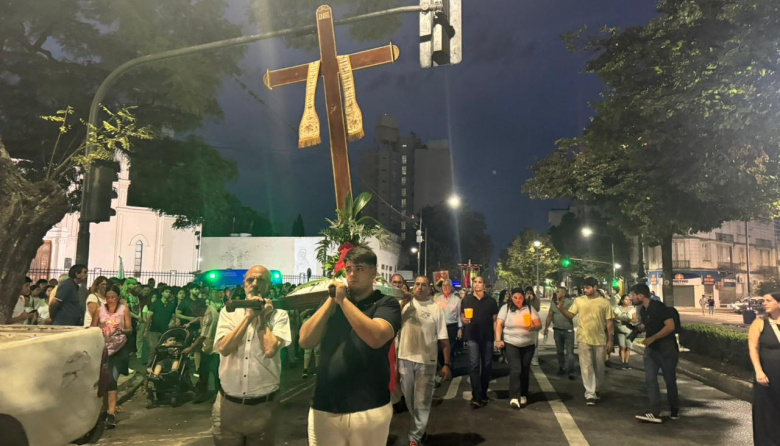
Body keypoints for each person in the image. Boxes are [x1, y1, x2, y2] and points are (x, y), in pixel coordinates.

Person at [300, 245, 401, 446]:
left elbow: (376, 337)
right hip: (324, 407)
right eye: (348, 269)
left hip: (369, 409)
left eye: (359, 269)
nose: (352, 274)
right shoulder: (332, 304)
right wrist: (330, 302)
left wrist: (343, 301)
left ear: (373, 273)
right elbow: (305, 340)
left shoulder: (385, 304)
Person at [211, 265, 291, 445]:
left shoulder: (279, 315)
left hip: (263, 407)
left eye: (261, 280)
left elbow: (269, 350)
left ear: (269, 286)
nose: (255, 284)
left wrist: (262, 317)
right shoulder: (229, 312)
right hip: (228, 406)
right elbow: (224, 348)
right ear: (244, 285)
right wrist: (248, 317)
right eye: (250, 280)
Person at [398, 276, 451, 446]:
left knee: (422, 401)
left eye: (424, 285)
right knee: (409, 399)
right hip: (404, 357)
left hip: (427, 361)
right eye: (417, 284)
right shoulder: (404, 305)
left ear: (429, 288)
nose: (420, 287)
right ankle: (420, 430)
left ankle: (414, 438)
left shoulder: (436, 309)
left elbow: (444, 339)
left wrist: (446, 364)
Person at [555, 277, 615, 406]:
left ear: (595, 287)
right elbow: (571, 315)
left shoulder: (604, 303)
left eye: (588, 287)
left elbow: (609, 323)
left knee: (599, 366)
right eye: (584, 288)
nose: (585, 290)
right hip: (583, 338)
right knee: (586, 366)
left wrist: (611, 340)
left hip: (600, 339)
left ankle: (597, 388)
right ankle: (590, 393)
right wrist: (560, 308)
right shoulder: (579, 300)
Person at [630, 284, 680, 423]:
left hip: (666, 349)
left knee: (670, 380)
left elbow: (670, 326)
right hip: (652, 350)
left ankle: (674, 410)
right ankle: (654, 412)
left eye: (633, 295)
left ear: (641, 296)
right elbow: (650, 325)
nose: (631, 298)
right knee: (650, 379)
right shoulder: (643, 310)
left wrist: (652, 338)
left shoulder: (659, 307)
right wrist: (639, 329)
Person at [90, 285, 132, 429]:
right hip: (104, 349)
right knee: (103, 380)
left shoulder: (124, 310)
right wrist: (99, 331)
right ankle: (102, 411)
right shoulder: (99, 310)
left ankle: (111, 413)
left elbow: (130, 329)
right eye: (108, 297)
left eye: (113, 297)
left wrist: (123, 330)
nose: (110, 300)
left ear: (118, 298)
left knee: (112, 379)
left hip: (119, 349)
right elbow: (93, 327)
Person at [496, 288, 541, 408]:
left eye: (520, 298)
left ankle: (523, 393)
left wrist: (534, 327)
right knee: (516, 369)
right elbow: (499, 324)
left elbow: (538, 324)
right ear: (511, 298)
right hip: (511, 343)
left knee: (525, 369)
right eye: (515, 298)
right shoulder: (505, 308)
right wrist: (498, 339)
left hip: (528, 344)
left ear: (524, 298)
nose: (518, 300)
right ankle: (514, 397)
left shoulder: (529, 309)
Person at [461, 276, 499, 408]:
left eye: (480, 282)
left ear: (484, 285)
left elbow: (495, 321)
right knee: (474, 365)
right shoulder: (466, 300)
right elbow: (462, 316)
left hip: (487, 337)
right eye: (475, 282)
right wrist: (464, 320)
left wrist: (498, 338)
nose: (477, 284)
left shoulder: (491, 301)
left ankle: (483, 393)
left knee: (487, 366)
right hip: (473, 337)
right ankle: (476, 396)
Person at [748, 293, 780, 444]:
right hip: (767, 375)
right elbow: (753, 348)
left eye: (768, 300)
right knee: (766, 410)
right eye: (763, 301)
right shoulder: (760, 322)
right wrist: (758, 371)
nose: (764, 303)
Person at [185, 295, 220, 404]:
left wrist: (190, 348)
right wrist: (190, 323)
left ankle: (217, 395)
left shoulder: (210, 317)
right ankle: (202, 392)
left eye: (195, 311)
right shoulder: (207, 308)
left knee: (216, 372)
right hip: (207, 347)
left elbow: (203, 337)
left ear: (201, 308)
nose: (194, 313)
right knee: (203, 370)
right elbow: (199, 317)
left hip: (215, 347)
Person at [544, 286, 576, 380]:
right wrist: (546, 327)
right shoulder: (553, 302)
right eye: (556, 291)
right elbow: (550, 315)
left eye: (558, 292)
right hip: (557, 329)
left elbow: (571, 316)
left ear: (564, 293)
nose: (556, 293)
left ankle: (570, 370)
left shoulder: (569, 302)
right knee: (559, 351)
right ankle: (561, 368)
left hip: (568, 330)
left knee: (570, 352)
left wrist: (561, 307)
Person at [142, 286, 177, 368]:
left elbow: (173, 316)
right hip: (154, 329)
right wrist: (146, 329)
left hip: (165, 330)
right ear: (162, 293)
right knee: (153, 349)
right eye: (166, 292)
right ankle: (149, 367)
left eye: (169, 292)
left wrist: (172, 321)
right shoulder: (156, 303)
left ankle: (160, 367)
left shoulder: (171, 305)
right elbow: (149, 317)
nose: (168, 294)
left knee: (165, 349)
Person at [434, 279, 463, 359]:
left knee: (451, 346)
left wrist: (460, 328)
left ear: (451, 287)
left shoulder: (456, 299)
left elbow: (459, 314)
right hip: (440, 326)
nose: (445, 287)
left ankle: (450, 363)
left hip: (452, 326)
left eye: (448, 285)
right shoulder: (438, 299)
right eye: (443, 285)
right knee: (440, 347)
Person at [615, 295, 637, 370]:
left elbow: (634, 319)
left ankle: (626, 362)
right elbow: (614, 317)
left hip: (629, 330)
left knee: (628, 347)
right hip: (620, 330)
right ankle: (622, 362)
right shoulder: (617, 309)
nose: (628, 301)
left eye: (629, 300)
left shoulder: (632, 309)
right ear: (622, 300)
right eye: (626, 299)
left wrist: (629, 320)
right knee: (622, 346)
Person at [524, 286, 542, 366]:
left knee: (535, 341)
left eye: (530, 293)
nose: (529, 295)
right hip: (525, 320)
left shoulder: (535, 300)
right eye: (527, 293)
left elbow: (537, 309)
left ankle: (534, 358)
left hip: (534, 321)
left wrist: (531, 301)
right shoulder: (523, 300)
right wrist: (526, 300)